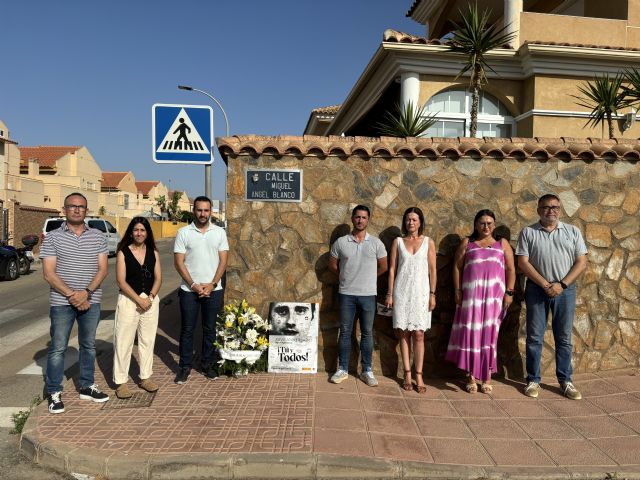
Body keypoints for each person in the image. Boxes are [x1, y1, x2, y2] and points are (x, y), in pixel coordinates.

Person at [41, 193, 110, 414]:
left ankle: (87, 385)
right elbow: (49, 274)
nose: (77, 210)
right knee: (58, 347)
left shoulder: (98, 236)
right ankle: (53, 391)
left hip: (91, 300)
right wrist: (73, 295)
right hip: (62, 302)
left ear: (86, 210)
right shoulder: (52, 237)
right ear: (64, 209)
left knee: (88, 345)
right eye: (72, 206)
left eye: (81, 207)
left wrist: (86, 293)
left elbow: (103, 269)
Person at [516, 194, 587, 400]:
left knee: (564, 338)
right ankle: (533, 380)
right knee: (534, 337)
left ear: (560, 209)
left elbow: (581, 263)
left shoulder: (572, 232)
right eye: (546, 207)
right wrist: (545, 284)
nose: (551, 211)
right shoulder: (528, 232)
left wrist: (562, 284)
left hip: (565, 291)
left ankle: (566, 381)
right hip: (537, 290)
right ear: (538, 210)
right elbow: (523, 262)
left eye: (555, 207)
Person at [445, 210, 516, 394]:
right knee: (471, 334)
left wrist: (509, 292)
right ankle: (470, 376)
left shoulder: (502, 244)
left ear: (494, 225)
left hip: (494, 298)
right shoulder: (468, 243)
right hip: (472, 298)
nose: (486, 227)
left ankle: (486, 377)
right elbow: (456, 267)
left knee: (489, 335)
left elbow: (510, 269)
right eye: (482, 223)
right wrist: (457, 290)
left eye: (490, 223)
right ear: (476, 224)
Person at [328, 205, 388, 387]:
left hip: (368, 295)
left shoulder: (376, 243)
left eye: (364, 217)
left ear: (368, 220)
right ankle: (343, 369)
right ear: (352, 219)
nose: (360, 220)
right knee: (345, 332)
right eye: (357, 217)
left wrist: (370, 278)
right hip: (346, 294)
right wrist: (346, 277)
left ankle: (367, 370)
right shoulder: (341, 242)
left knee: (367, 333)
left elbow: (383, 267)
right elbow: (333, 265)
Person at [173, 196, 229, 384]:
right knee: (187, 330)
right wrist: (194, 285)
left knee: (210, 329)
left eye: (206, 210)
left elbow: (223, 261)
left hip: (214, 289)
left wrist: (212, 284)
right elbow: (179, 262)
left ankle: (207, 365)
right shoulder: (183, 232)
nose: (202, 214)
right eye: (199, 210)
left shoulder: (219, 232)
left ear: (211, 211)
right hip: (189, 291)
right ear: (193, 210)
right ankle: (184, 367)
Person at [385, 207, 436, 393]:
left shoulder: (428, 242)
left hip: (421, 293)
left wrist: (432, 294)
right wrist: (389, 294)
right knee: (404, 333)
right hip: (402, 291)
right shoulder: (398, 242)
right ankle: (407, 373)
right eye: (408, 219)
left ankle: (419, 374)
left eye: (414, 219)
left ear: (420, 221)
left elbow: (432, 270)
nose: (411, 223)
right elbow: (392, 269)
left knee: (419, 333)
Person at [113, 217, 162, 399]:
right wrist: (138, 300)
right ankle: (121, 382)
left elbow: (158, 278)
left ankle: (145, 377)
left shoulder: (154, 253)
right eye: (136, 230)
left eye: (142, 230)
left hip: (150, 301)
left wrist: (150, 297)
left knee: (147, 341)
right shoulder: (123, 252)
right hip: (128, 300)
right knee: (123, 341)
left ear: (147, 232)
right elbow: (121, 280)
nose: (139, 233)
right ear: (131, 232)